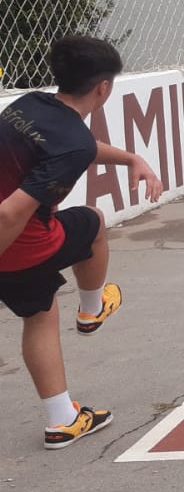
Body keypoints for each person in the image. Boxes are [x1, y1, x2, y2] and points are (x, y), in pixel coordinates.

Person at [1, 37, 163, 449]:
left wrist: (130, 158)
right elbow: (8, 215)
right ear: (103, 88)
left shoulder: (27, 105)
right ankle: (92, 310)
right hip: (18, 242)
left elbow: (78, 149)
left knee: (41, 311)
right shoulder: (74, 141)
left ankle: (63, 420)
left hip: (15, 237)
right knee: (92, 222)